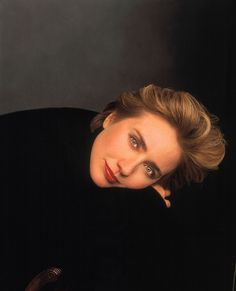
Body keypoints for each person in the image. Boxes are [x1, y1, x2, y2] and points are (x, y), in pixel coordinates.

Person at [0, 84, 225, 291]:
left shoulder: (96, 175)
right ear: (111, 119)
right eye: (134, 142)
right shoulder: (35, 148)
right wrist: (147, 205)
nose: (126, 168)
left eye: (149, 170)